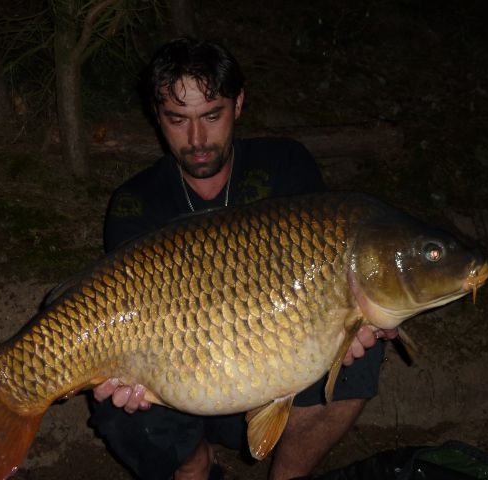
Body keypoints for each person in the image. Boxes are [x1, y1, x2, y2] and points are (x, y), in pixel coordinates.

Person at [90, 37, 397, 480]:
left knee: (359, 349)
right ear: (157, 119)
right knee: (115, 408)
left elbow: (329, 271)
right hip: (183, 388)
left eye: (211, 116)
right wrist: (124, 374)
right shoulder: (136, 204)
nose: (197, 139)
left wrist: (358, 319)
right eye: (178, 120)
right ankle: (197, 466)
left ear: (238, 104)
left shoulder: (287, 166)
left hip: (279, 371)